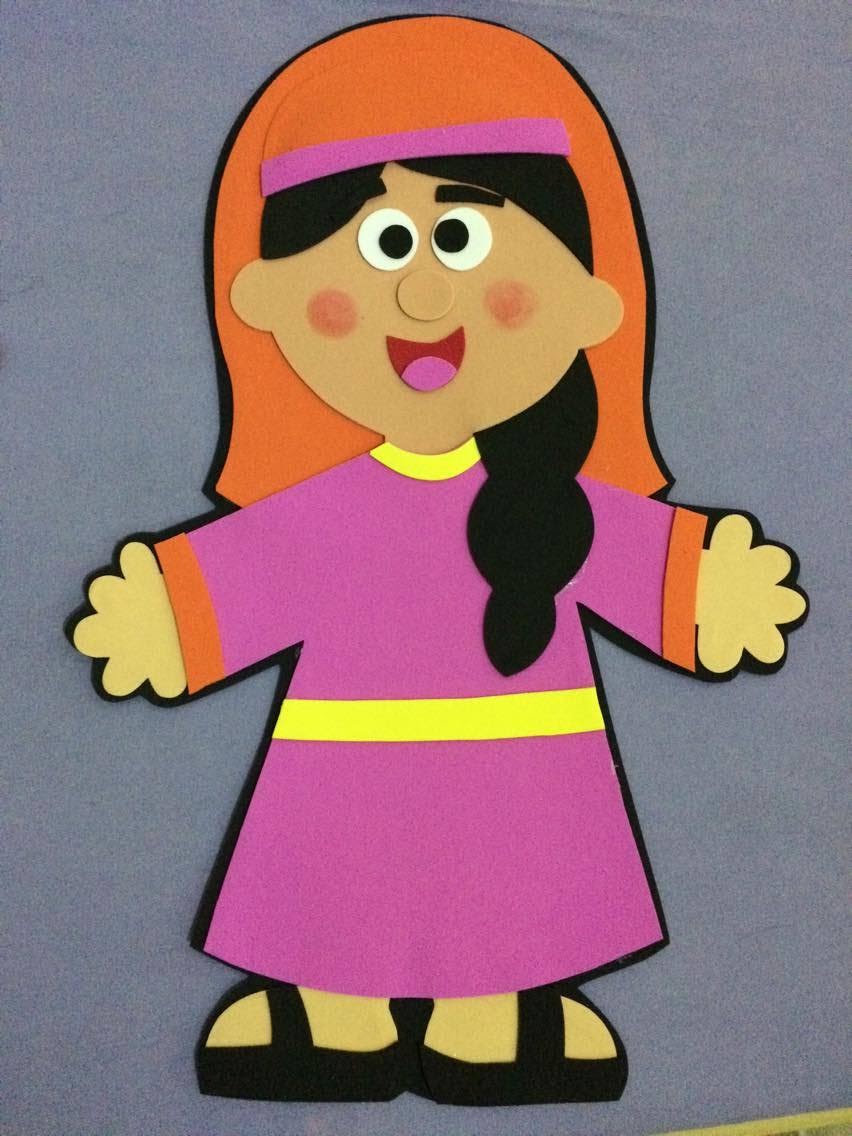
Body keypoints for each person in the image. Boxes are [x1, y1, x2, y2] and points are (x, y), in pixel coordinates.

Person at [70, 15, 807, 1105]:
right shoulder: (324, 509)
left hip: (522, 777)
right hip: (345, 779)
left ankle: (497, 1013)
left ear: (590, 297)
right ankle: (335, 1011)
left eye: (460, 240)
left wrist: (714, 591)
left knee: (507, 904)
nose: (422, 298)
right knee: (340, 904)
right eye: (382, 246)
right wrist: (165, 621)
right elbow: (242, 579)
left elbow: (654, 571)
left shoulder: (558, 507)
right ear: (264, 295)